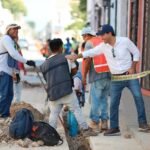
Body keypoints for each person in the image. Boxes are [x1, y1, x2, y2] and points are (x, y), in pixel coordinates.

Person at [67, 24, 150, 136]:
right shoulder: (103, 46)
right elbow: (90, 52)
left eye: (102, 35)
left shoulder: (124, 41)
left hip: (130, 76)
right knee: (113, 103)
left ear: (110, 33)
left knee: (138, 97)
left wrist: (133, 67)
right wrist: (76, 56)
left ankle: (143, 123)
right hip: (115, 78)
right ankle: (115, 128)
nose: (101, 38)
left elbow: (136, 53)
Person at [39, 38, 97, 137]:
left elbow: (47, 79)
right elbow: (74, 71)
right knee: (76, 110)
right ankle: (85, 129)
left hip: (53, 94)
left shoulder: (44, 65)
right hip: (66, 91)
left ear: (50, 49)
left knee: (53, 114)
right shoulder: (66, 58)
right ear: (61, 47)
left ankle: (50, 133)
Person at [0, 23, 35, 118]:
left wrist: (16, 73)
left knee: (9, 94)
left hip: (7, 71)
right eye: (13, 29)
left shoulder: (11, 41)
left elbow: (13, 60)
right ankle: (3, 115)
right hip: (3, 71)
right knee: (5, 94)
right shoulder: (6, 38)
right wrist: (27, 61)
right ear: (8, 31)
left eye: (17, 29)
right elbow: (13, 54)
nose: (16, 31)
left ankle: (5, 114)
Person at [81, 27, 111, 132]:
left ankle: (94, 122)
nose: (83, 39)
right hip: (108, 75)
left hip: (97, 75)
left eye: (83, 36)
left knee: (95, 100)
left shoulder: (89, 43)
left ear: (86, 35)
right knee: (104, 99)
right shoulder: (103, 40)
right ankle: (104, 123)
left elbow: (87, 60)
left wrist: (84, 76)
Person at [13, 37, 27, 102]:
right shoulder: (14, 46)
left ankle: (17, 101)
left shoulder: (16, 46)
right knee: (16, 86)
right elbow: (17, 58)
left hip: (17, 69)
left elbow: (20, 58)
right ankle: (16, 101)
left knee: (17, 86)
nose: (17, 38)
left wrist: (23, 68)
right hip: (15, 70)